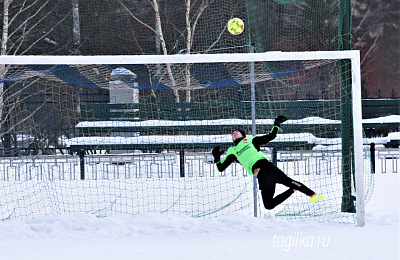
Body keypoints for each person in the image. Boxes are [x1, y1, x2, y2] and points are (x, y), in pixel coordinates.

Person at [212, 116, 323, 210]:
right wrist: (216, 157)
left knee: (290, 181)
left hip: (267, 167)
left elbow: (271, 136)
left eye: (238, 131)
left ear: (243, 135)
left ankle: (313, 194)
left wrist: (277, 124)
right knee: (268, 205)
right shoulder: (232, 151)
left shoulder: (250, 140)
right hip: (262, 178)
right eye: (233, 132)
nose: (235, 131)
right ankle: (292, 190)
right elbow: (220, 168)